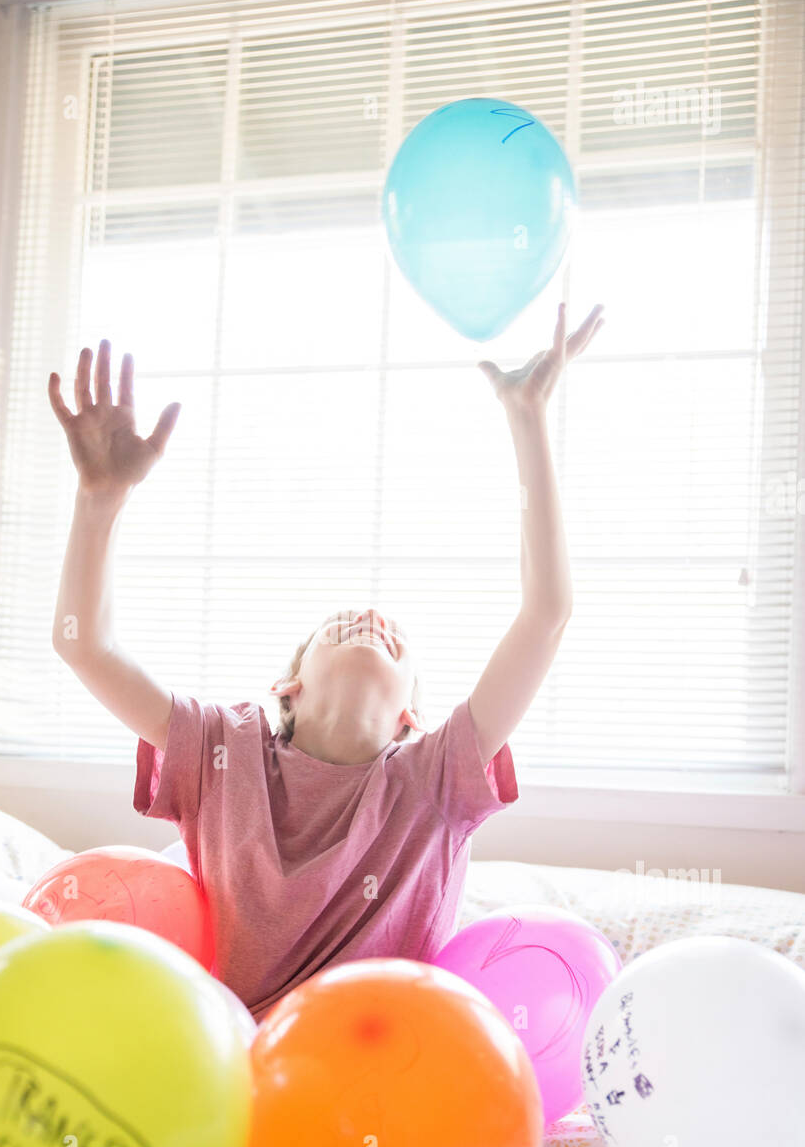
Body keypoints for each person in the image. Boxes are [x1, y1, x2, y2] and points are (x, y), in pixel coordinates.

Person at [48, 302, 604, 1019]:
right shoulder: (221, 746)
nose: (369, 618)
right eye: (337, 624)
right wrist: (100, 498)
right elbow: (81, 643)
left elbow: (546, 615)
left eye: (388, 632)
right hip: (232, 1063)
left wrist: (526, 417)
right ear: (287, 683)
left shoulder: (435, 777)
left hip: (372, 1073)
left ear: (411, 715)